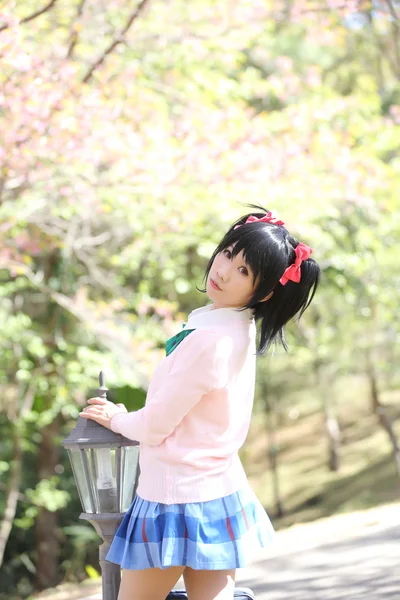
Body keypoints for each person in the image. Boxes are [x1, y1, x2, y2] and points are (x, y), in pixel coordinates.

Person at [80, 204, 320, 600]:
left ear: (266, 290)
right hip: (217, 494)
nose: (223, 270)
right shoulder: (234, 326)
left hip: (175, 500)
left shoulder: (210, 340)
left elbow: (155, 426)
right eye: (228, 254)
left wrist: (117, 418)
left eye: (244, 271)